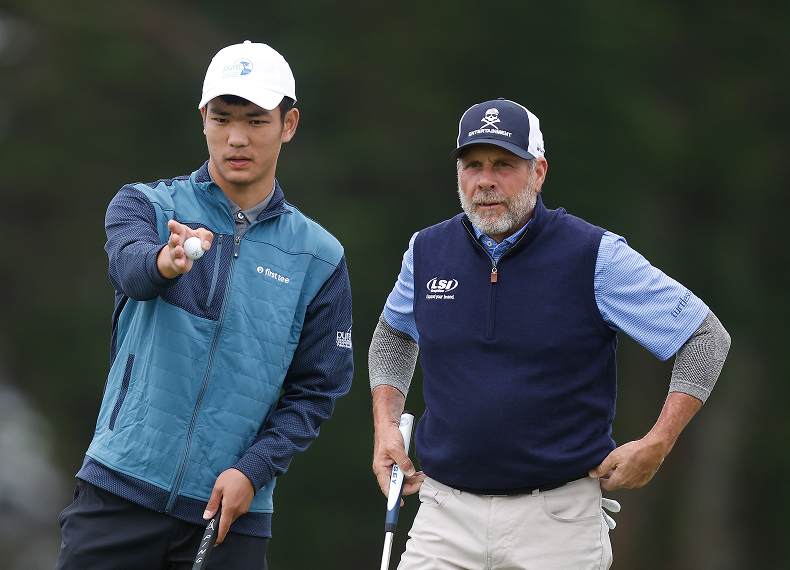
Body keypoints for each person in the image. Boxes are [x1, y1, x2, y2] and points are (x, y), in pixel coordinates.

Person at [369, 98, 730, 570]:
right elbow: (393, 335)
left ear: (538, 172)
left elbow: (704, 337)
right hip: (443, 515)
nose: (485, 181)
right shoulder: (428, 249)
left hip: (557, 522)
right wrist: (384, 427)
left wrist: (658, 441)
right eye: (472, 165)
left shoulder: (593, 255)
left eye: (504, 164)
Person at [55, 41, 353, 570]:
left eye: (257, 121)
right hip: (119, 493)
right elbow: (130, 268)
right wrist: (164, 263)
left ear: (289, 124)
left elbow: (318, 386)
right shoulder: (147, 205)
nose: (236, 138)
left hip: (229, 518)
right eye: (222, 118)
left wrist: (254, 469)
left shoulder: (319, 256)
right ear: (203, 119)